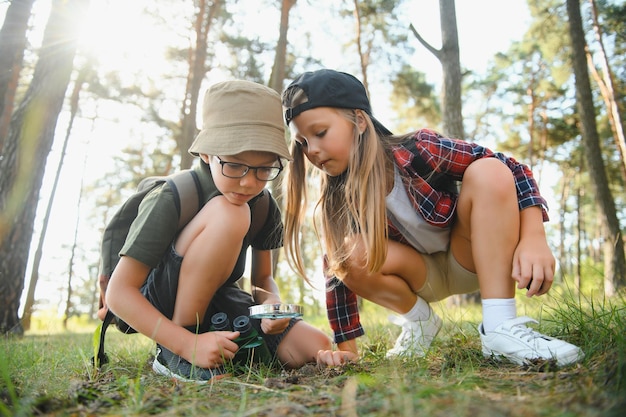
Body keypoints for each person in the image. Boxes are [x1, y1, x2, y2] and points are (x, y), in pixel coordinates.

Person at [281, 68, 583, 367]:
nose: (313, 151)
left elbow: (512, 168)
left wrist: (533, 237)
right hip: (420, 278)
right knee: (344, 252)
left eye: (320, 133)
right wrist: (347, 350)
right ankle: (420, 322)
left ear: (359, 120)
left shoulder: (420, 150)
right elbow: (337, 278)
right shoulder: (336, 203)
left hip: (472, 259)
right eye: (303, 143)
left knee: (489, 169)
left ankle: (500, 327)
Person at [106, 79, 332, 382]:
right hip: (166, 304)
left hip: (223, 300)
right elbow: (119, 293)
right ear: (207, 154)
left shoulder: (263, 206)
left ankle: (225, 343)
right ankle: (175, 351)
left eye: (264, 169)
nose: (249, 183)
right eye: (235, 165)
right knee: (231, 214)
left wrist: (270, 304)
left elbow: (263, 278)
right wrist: (188, 344)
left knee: (316, 346)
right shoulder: (173, 197)